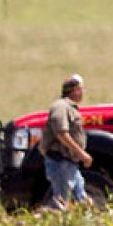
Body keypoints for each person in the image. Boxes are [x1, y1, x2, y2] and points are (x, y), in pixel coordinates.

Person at [39, 73, 92, 208]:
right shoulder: (61, 107)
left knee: (81, 199)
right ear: (73, 91)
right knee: (61, 203)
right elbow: (62, 134)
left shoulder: (70, 108)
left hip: (70, 164)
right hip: (60, 162)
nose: (82, 93)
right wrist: (82, 154)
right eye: (80, 89)